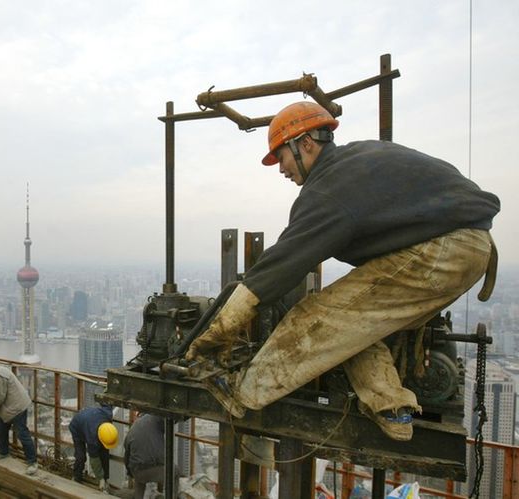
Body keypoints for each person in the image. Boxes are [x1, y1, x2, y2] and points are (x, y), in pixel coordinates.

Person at [186, 101, 499, 441]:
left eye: (281, 157)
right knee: (354, 324)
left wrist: (222, 326)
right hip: (464, 247)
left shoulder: (330, 187)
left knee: (318, 317)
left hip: (444, 250)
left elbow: (283, 263)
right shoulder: (357, 160)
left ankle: (241, 393)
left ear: (305, 143)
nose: (280, 169)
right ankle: (390, 406)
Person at [123, 414, 178, 498]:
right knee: (174, 472)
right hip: (151, 468)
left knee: (139, 480)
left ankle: (138, 497)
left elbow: (126, 456)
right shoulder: (156, 418)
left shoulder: (133, 429)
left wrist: (130, 472)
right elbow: (169, 417)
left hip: (136, 471)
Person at [69, 405, 118, 491]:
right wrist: (100, 478)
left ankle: (105, 480)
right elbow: (94, 460)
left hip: (89, 419)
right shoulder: (92, 439)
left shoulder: (107, 414)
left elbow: (107, 405)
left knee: (104, 453)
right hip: (77, 427)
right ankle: (76, 476)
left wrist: (104, 478)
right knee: (81, 456)